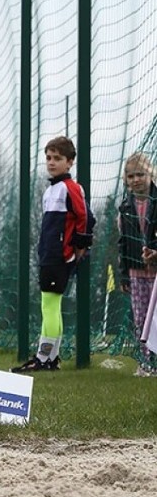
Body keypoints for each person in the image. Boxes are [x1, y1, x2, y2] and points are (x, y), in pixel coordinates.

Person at [11, 136, 95, 373]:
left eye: (57, 158)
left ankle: (44, 357)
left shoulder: (71, 188)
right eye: (48, 158)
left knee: (49, 304)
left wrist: (80, 245)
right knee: (51, 305)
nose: (51, 162)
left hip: (60, 255)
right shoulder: (50, 190)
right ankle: (51, 358)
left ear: (69, 162)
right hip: (48, 253)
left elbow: (84, 217)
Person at [116, 152, 157, 375]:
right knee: (141, 317)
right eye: (130, 176)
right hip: (136, 271)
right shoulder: (125, 208)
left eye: (140, 174)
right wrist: (123, 274)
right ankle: (145, 362)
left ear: (150, 174)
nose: (136, 180)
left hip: (156, 270)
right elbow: (122, 242)